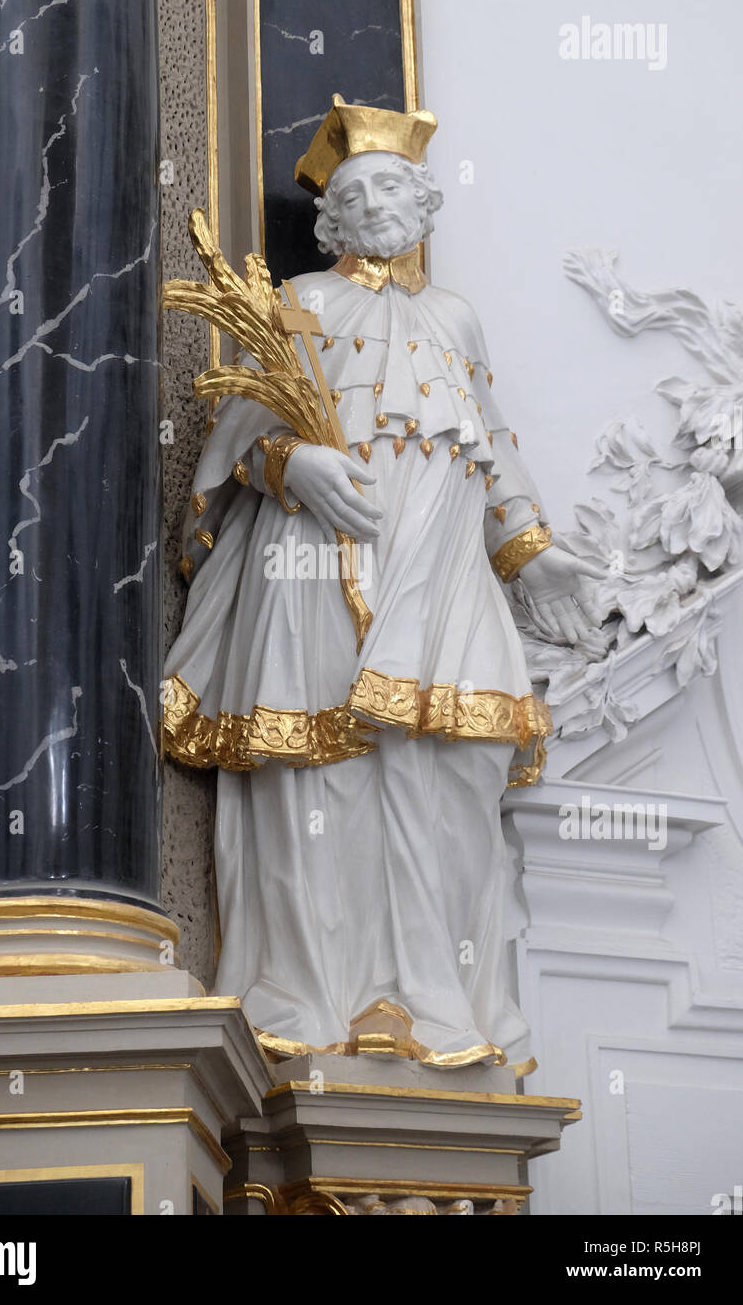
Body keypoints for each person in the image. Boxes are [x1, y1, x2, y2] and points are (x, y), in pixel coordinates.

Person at [163, 95, 602, 1067]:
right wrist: (293, 466)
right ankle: (315, 991)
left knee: (447, 769)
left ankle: (432, 998)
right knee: (326, 762)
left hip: (439, 570)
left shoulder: (454, 317)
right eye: (355, 193)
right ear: (328, 222)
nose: (376, 205)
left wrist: (532, 547)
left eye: (393, 188)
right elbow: (238, 441)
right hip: (317, 565)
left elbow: (490, 447)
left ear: (424, 205)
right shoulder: (306, 304)